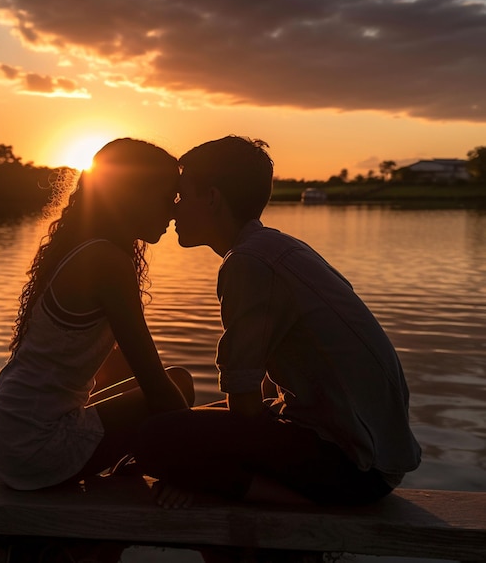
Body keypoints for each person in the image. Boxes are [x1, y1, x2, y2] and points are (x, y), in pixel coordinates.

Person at [134, 135, 421, 508]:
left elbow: (244, 403)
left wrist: (195, 467)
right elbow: (262, 394)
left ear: (212, 197)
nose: (173, 211)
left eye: (182, 196)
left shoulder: (249, 262)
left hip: (353, 468)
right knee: (183, 427)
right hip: (369, 456)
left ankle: (294, 506)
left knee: (151, 440)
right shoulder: (276, 248)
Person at [0, 138, 193, 491]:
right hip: (35, 445)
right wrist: (206, 454)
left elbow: (122, 367)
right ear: (131, 196)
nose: (174, 211)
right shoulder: (106, 261)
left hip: (15, 431)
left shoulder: (89, 249)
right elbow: (155, 385)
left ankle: (133, 463)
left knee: (175, 384)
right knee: (180, 386)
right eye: (167, 197)